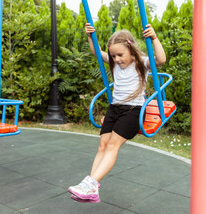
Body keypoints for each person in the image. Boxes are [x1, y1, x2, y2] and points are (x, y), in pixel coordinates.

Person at [68, 23, 166, 203]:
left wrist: (154, 38)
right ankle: (91, 187)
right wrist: (91, 37)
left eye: (120, 55)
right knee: (102, 145)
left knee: (113, 146)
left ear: (131, 50)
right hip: (114, 108)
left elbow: (160, 60)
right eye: (113, 55)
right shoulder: (115, 63)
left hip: (134, 110)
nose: (116, 59)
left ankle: (91, 183)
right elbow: (98, 53)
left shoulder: (141, 63)